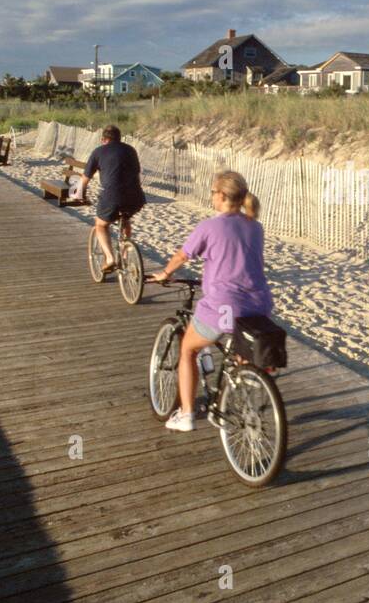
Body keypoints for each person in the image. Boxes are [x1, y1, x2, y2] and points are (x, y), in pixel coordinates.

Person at [148, 170, 272, 432]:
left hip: (225, 306)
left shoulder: (210, 226)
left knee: (188, 349)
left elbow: (183, 255)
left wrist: (165, 273)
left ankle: (186, 415)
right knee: (238, 347)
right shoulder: (255, 226)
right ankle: (244, 387)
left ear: (223, 195)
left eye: (213, 192)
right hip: (259, 305)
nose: (212, 197)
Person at [82, 125, 145, 272]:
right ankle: (124, 253)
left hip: (112, 196)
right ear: (119, 138)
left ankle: (110, 258)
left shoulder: (98, 151)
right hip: (136, 197)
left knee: (101, 225)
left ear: (103, 139)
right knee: (126, 218)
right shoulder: (130, 150)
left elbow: (85, 179)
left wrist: (79, 195)